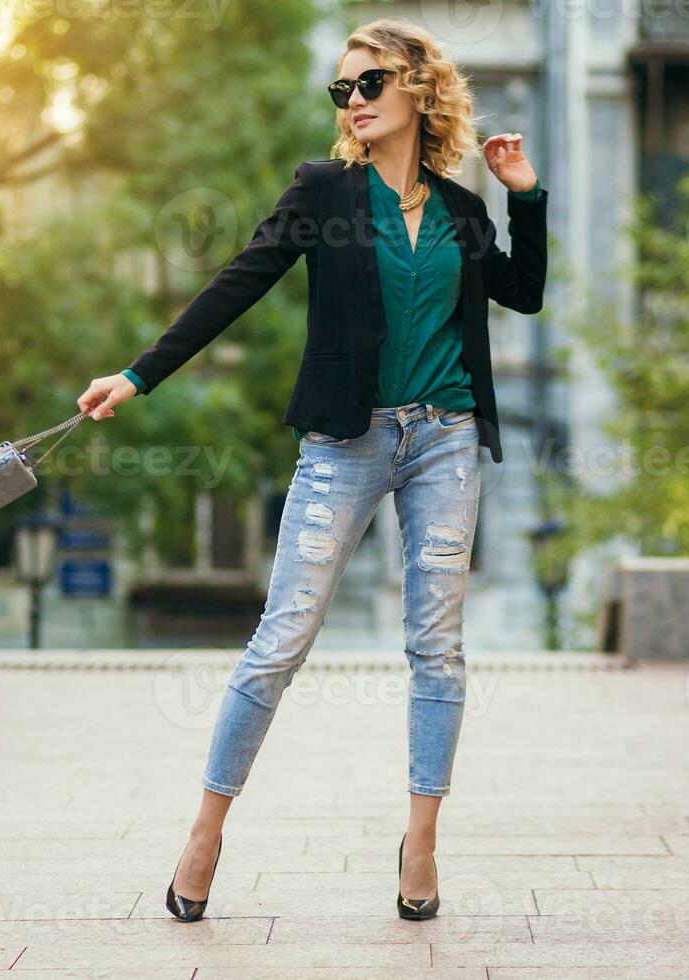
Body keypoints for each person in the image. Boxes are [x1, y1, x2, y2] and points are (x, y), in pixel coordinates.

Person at [76, 18, 547, 921]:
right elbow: (239, 279)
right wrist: (139, 375)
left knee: (436, 646)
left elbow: (523, 293)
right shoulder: (324, 191)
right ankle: (207, 831)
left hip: (445, 436)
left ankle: (420, 841)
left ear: (417, 89)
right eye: (344, 90)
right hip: (346, 438)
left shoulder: (461, 210)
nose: (354, 102)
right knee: (280, 639)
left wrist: (523, 193)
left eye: (369, 84)